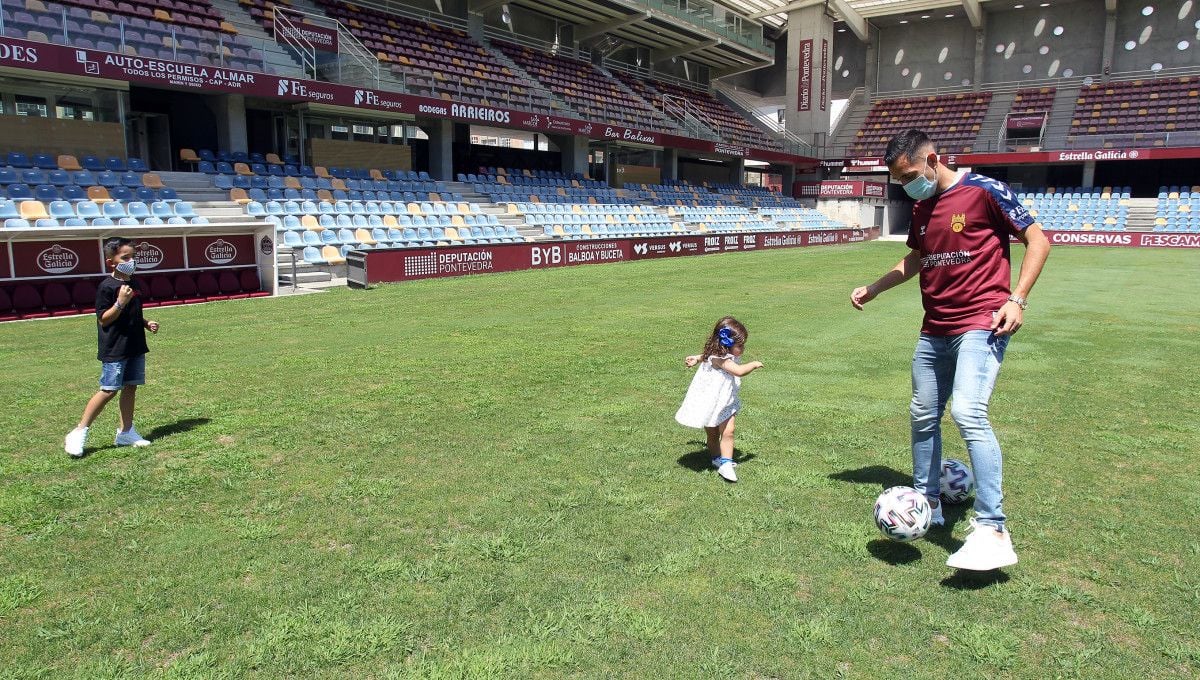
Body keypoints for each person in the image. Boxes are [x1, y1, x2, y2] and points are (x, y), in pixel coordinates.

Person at [850, 129, 1050, 571]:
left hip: (982, 321)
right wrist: (876, 287)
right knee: (923, 414)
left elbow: (1039, 240)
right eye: (898, 180)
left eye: (909, 175)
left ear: (933, 160)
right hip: (934, 329)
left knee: (968, 413)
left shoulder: (985, 191)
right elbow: (916, 258)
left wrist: (1017, 299)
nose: (906, 185)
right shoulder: (922, 207)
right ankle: (929, 501)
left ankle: (993, 529)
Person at [65, 237, 160, 458]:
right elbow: (104, 320)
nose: (131, 261)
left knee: (131, 386)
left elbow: (132, 314)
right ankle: (78, 432)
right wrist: (120, 302)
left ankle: (126, 432)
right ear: (112, 262)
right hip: (115, 348)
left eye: (133, 257)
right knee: (108, 390)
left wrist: (146, 323)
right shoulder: (107, 287)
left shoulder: (134, 284)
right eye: (125, 257)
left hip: (135, 345)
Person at [675, 317, 764, 483]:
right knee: (713, 434)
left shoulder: (720, 354)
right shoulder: (720, 359)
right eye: (740, 346)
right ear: (726, 344)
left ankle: (726, 463)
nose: (743, 349)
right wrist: (753, 364)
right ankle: (716, 457)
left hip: (726, 402)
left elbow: (706, 356)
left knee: (729, 431)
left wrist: (696, 358)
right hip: (712, 403)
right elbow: (738, 371)